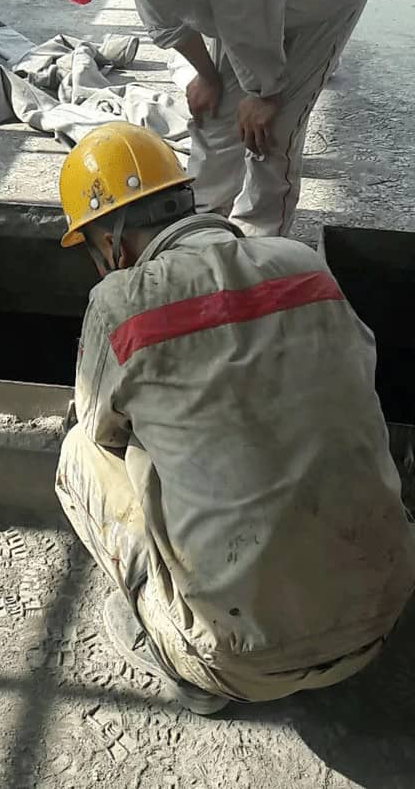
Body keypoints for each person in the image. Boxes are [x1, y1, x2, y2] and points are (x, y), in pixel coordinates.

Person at [55, 120, 415, 713]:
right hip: (382, 616)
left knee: (80, 453)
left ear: (112, 244)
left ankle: (182, 658)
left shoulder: (119, 301)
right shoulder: (303, 262)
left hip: (239, 661)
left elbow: (103, 431)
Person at [26, 0, 375, 237]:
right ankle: (199, 229)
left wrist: (265, 93)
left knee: (271, 132)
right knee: (216, 116)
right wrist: (208, 76)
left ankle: (259, 244)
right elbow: (169, 22)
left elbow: (248, 12)